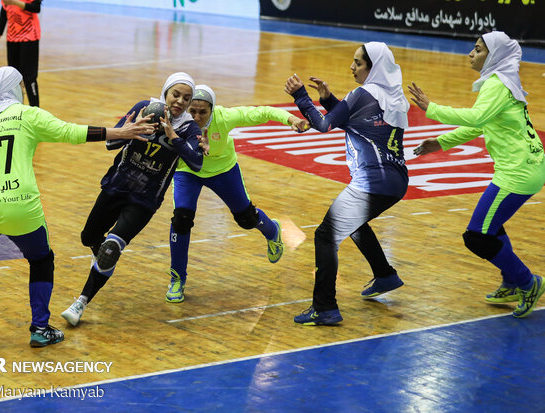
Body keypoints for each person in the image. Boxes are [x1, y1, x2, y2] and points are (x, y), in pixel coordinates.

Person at [0, 66, 154, 346]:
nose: (23, 91)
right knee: (41, 260)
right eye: (20, 87)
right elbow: (70, 132)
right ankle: (39, 328)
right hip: (21, 207)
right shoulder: (28, 115)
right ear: (12, 88)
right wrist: (120, 132)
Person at [409, 31, 545, 318]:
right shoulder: (500, 81)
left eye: (479, 49)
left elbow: (476, 118)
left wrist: (430, 108)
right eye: (474, 48)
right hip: (524, 167)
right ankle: (511, 281)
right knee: (489, 226)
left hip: (518, 172)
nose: (472, 53)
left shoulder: (497, 84)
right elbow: (481, 124)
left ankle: (527, 282)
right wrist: (442, 142)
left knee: (477, 237)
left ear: (493, 56)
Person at [61, 72, 204, 325]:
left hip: (145, 200)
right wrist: (132, 129)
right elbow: (110, 144)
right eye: (176, 94)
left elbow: (196, 163)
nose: (180, 101)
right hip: (116, 186)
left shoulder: (189, 128)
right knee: (88, 238)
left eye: (186, 98)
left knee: (112, 248)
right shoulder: (144, 108)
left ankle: (80, 302)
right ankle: (102, 257)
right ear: (166, 92)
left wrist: (174, 138)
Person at [284, 42, 409, 325]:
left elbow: (324, 126)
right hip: (396, 181)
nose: (351, 67)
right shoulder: (391, 94)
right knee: (352, 223)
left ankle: (325, 307)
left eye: (358, 63)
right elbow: (357, 122)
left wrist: (301, 96)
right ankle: (385, 274)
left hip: (371, 183)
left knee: (325, 236)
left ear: (372, 67)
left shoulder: (363, 94)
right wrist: (328, 100)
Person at [165, 84, 309, 303]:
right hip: (188, 170)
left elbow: (264, 112)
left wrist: (292, 120)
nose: (196, 117)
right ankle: (177, 279)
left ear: (212, 110)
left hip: (223, 170)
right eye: (192, 111)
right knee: (182, 219)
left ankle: (272, 230)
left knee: (246, 218)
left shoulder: (226, 117)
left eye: (203, 112)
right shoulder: (177, 118)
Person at [0, 0, 42, 107]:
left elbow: (36, 8)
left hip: (30, 37)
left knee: (29, 77)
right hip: (12, 37)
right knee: (13, 76)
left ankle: (36, 109)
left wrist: (14, 2)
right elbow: (4, 14)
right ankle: (16, 109)